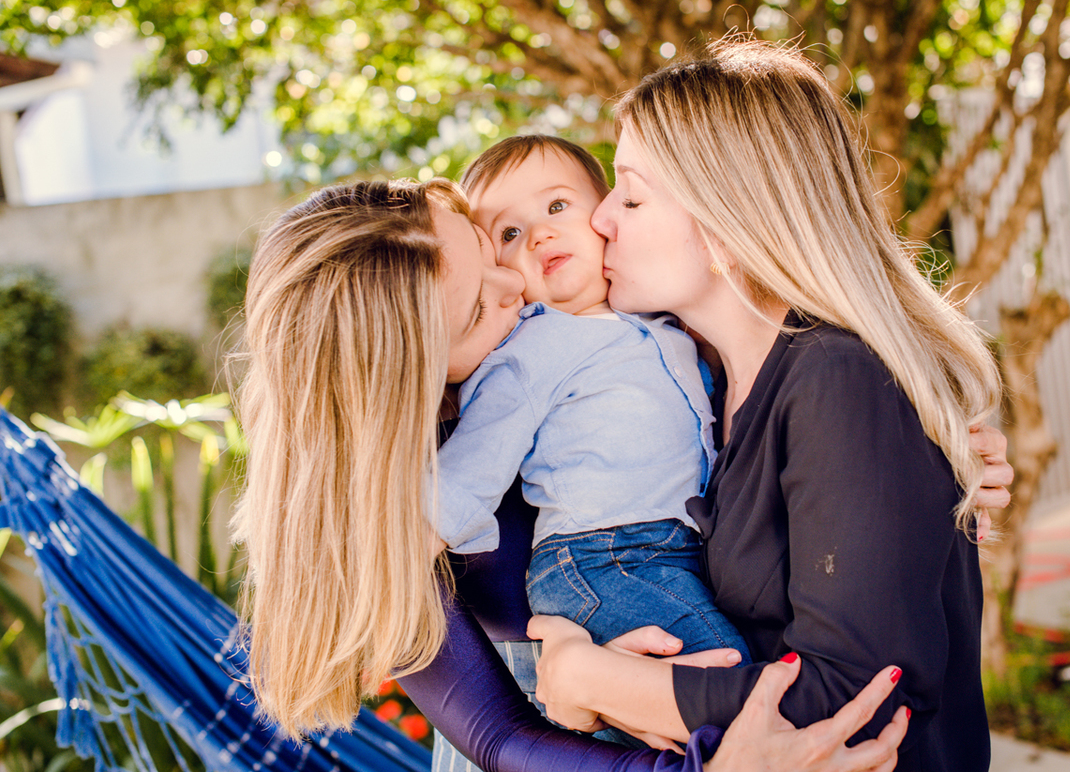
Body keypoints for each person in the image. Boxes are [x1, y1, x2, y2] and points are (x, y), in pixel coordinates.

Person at [231, 176, 916, 772]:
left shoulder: (573, 329)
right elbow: (500, 736)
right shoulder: (400, 510)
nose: (516, 285)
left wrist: (904, 440)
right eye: (478, 310)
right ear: (403, 379)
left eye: (484, 244)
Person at [525, 36, 1004, 772]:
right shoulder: (709, 385)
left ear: (728, 216)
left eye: (631, 193)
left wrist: (589, 676)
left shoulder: (840, 378)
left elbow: (852, 700)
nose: (601, 220)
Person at [434, 135, 750, 673]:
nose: (539, 234)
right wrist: (380, 597)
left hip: (674, 551)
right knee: (732, 679)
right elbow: (465, 478)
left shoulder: (658, 321)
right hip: (603, 559)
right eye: (509, 233)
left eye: (557, 206)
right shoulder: (530, 351)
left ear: (607, 215)